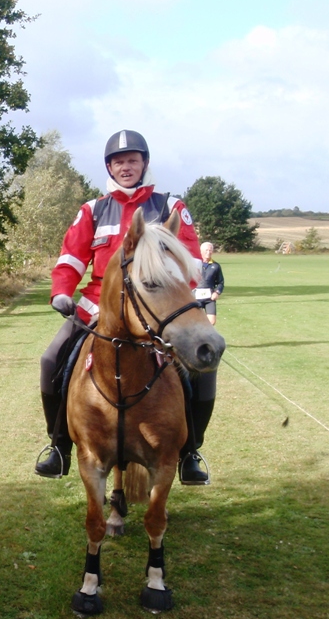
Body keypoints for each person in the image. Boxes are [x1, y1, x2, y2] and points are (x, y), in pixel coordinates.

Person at [34, 130, 216, 485]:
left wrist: (171, 302)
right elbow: (71, 258)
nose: (126, 167)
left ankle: (191, 450)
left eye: (133, 160)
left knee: (200, 368)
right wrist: (61, 291)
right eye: (119, 161)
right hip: (97, 305)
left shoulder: (170, 208)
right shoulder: (93, 209)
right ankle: (58, 448)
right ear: (109, 167)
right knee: (51, 359)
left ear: (144, 163)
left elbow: (191, 261)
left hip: (153, 307)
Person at [196, 241, 224, 325]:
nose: (208, 252)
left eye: (210, 250)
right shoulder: (195, 263)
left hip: (210, 298)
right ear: (201, 251)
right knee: (195, 321)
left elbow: (220, 282)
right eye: (206, 250)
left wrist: (217, 292)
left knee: (212, 321)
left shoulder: (216, 266)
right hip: (196, 297)